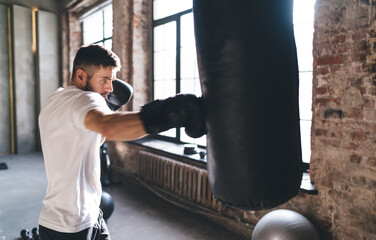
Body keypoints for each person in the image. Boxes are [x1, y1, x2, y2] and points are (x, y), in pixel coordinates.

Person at [38, 44, 206, 240]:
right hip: (73, 227)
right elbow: (108, 126)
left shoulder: (55, 99)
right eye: (104, 80)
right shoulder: (85, 100)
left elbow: (93, 136)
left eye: (112, 80)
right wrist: (172, 114)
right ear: (81, 76)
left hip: (75, 216)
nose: (110, 88)